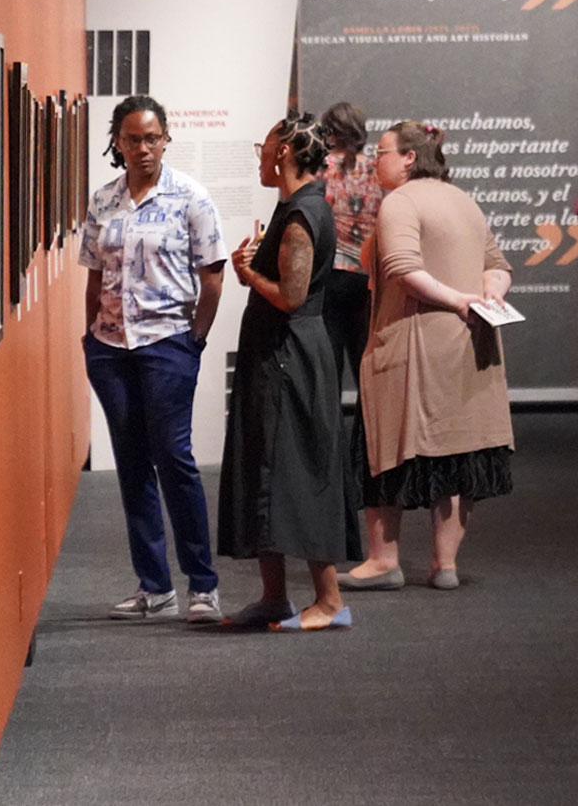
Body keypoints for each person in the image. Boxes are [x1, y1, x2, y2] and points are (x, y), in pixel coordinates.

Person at [338, 121, 514, 593]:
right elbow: (497, 267)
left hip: (412, 346)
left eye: (383, 153)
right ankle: (445, 564)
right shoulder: (464, 200)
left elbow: (401, 268)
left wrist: (459, 300)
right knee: (461, 452)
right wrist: (487, 296)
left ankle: (383, 560)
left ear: (409, 158)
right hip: (469, 346)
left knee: (386, 449)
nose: (376, 161)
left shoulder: (401, 201)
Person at [79, 95, 227, 621]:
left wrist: (197, 338)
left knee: (176, 460)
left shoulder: (191, 197)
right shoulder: (103, 201)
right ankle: (155, 587)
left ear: (166, 139)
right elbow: (94, 273)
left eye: (153, 138)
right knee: (132, 464)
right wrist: (90, 337)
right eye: (133, 139)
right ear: (116, 142)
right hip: (112, 348)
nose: (144, 148)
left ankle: (202, 586)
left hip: (168, 344)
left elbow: (212, 275)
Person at [218, 111, 361, 631]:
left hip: (290, 355)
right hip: (280, 351)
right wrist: (255, 269)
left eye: (263, 145)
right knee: (264, 466)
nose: (259, 154)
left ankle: (329, 601)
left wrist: (250, 274)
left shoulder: (301, 215)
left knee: (298, 469)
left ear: (282, 152)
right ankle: (274, 596)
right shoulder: (293, 209)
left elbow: (291, 296)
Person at [318, 102, 382, 389]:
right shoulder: (377, 169)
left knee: (329, 364)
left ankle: (330, 433)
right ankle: (369, 433)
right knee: (365, 363)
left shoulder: (321, 169)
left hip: (330, 273)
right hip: (367, 275)